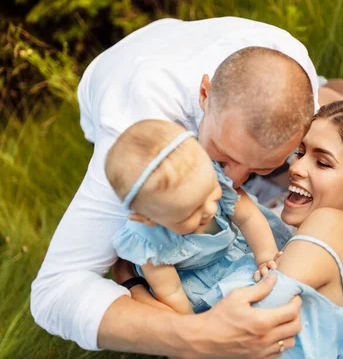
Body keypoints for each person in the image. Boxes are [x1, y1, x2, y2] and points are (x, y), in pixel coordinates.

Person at [30, 17, 320, 358]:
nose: (234, 183)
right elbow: (54, 290)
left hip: (186, 39)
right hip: (119, 73)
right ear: (204, 95)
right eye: (222, 159)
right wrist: (198, 335)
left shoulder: (295, 69)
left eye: (260, 167)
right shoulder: (137, 132)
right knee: (139, 225)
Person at [118, 100, 343, 357]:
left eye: (322, 163)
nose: (295, 168)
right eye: (300, 152)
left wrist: (133, 284)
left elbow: (218, 337)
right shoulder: (301, 239)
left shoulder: (332, 224)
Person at [106, 120, 284, 315]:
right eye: (191, 212)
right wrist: (195, 324)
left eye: (211, 192)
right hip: (199, 283)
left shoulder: (208, 176)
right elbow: (171, 292)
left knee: (280, 274)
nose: (209, 209)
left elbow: (248, 218)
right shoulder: (150, 242)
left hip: (241, 246)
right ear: (148, 219)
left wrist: (266, 257)